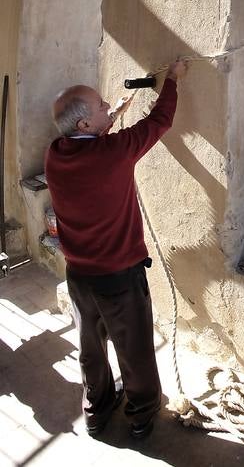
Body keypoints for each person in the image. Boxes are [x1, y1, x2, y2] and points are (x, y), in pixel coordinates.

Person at [44, 58, 189, 439]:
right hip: (119, 278)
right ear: (84, 125)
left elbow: (94, 144)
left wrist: (111, 118)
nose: (108, 105)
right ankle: (141, 414)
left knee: (91, 348)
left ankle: (97, 410)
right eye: (101, 106)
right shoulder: (114, 152)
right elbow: (159, 122)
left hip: (79, 275)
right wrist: (172, 81)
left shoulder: (56, 154)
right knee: (135, 349)